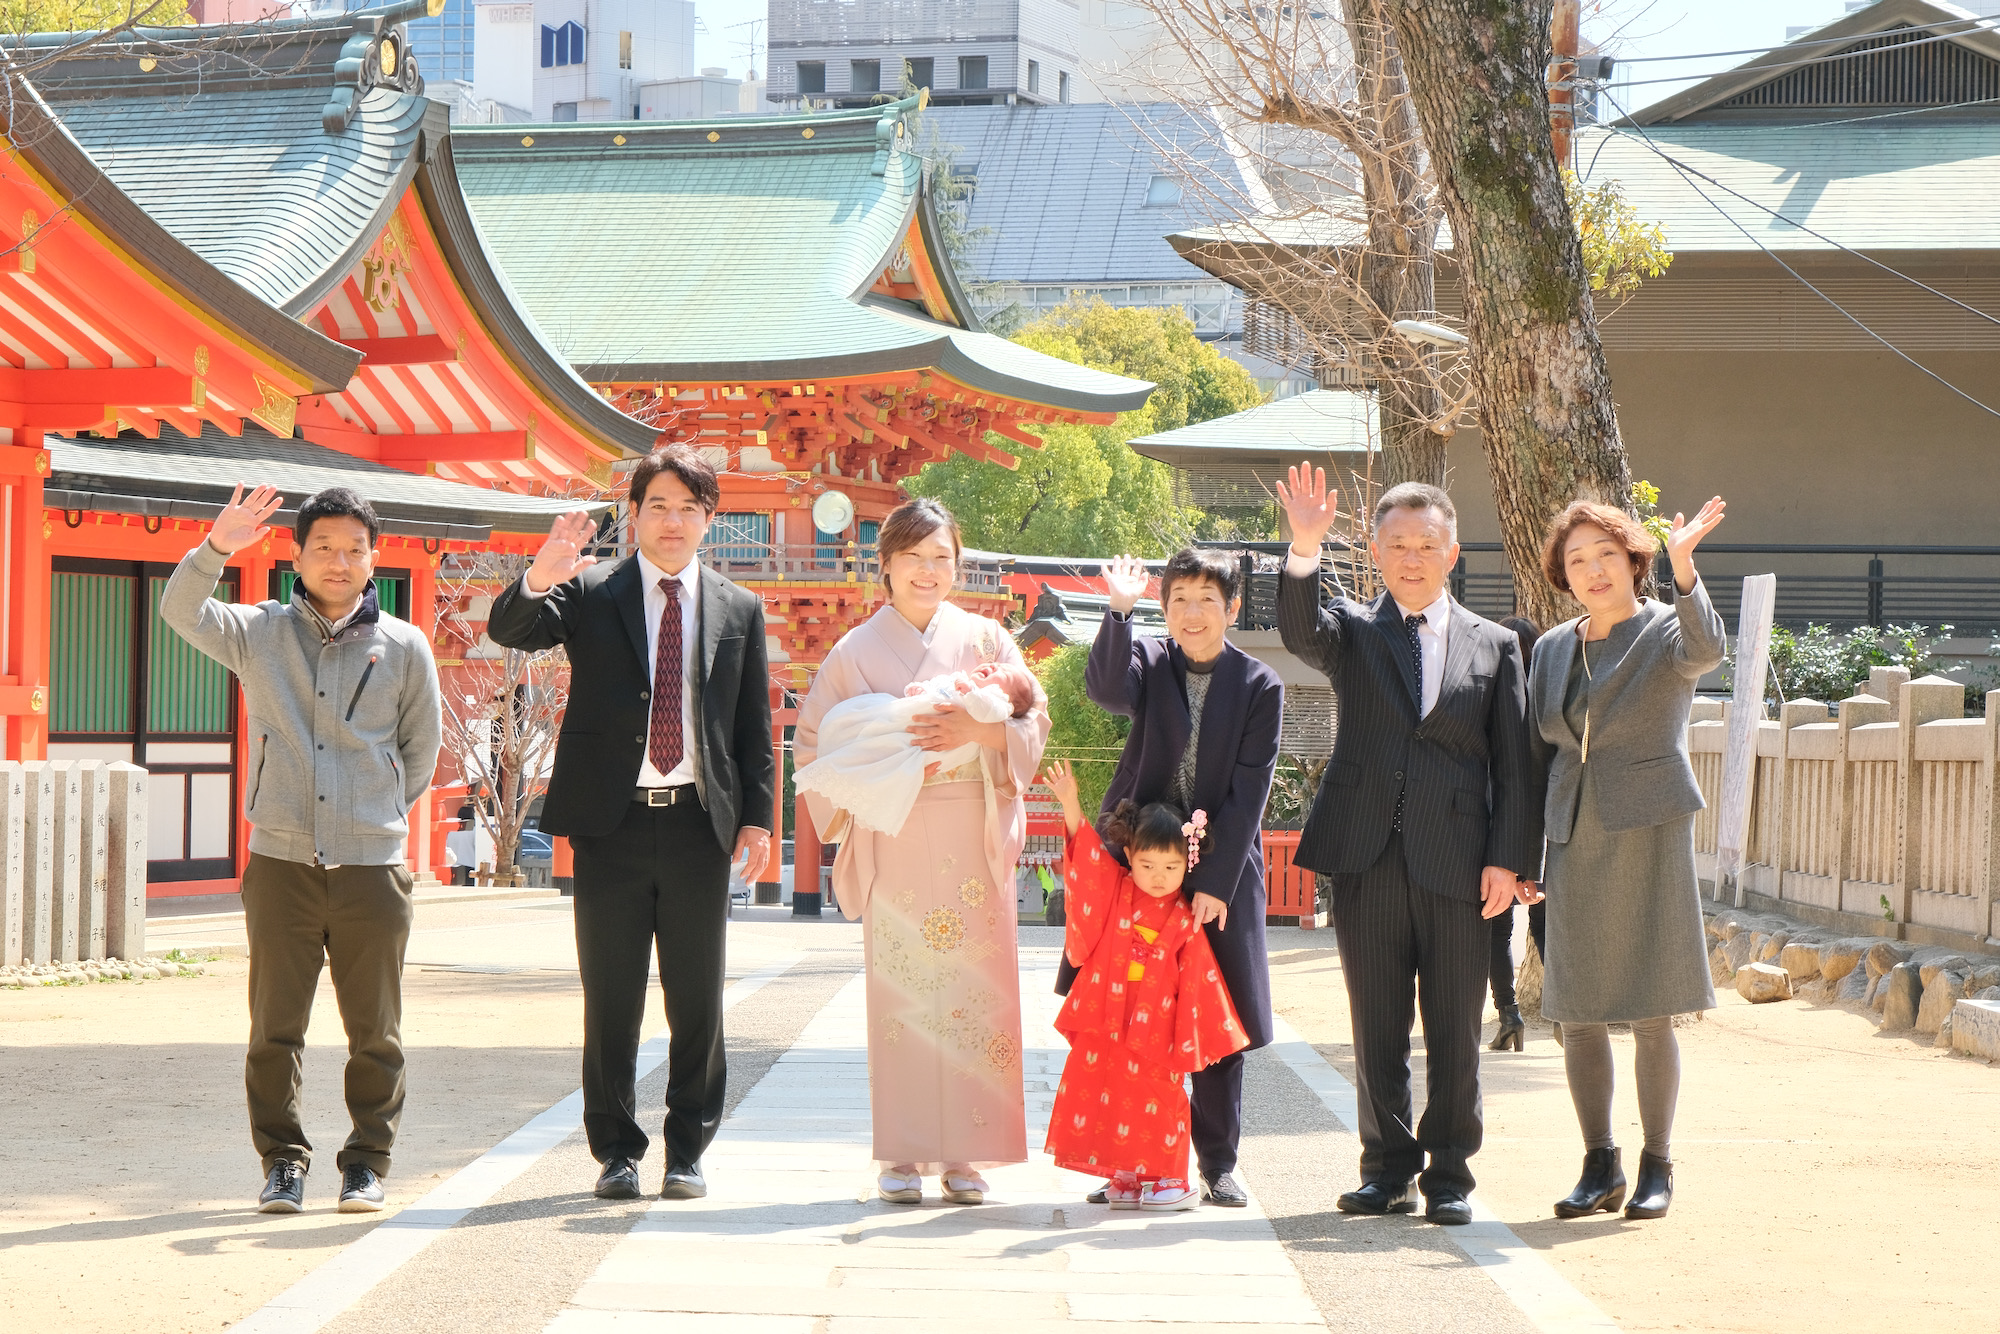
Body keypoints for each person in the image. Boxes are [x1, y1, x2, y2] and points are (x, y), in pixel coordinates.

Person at [486, 445, 775, 1203]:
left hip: (697, 827)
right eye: (658, 506)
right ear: (635, 516)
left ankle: (687, 1151)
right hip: (610, 826)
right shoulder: (591, 592)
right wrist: (542, 571)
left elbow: (752, 727)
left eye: (688, 507)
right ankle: (616, 1149)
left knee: (697, 999)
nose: (673, 520)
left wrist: (758, 818)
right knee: (611, 997)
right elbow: (512, 629)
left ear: (710, 519)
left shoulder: (740, 608)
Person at [1273, 466, 1544, 1227]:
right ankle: (1386, 1169)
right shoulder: (1355, 632)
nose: (1413, 557)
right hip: (1368, 855)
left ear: (1452, 553)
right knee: (1378, 1023)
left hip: (1461, 862)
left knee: (1456, 1027)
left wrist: (1510, 859)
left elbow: (1515, 766)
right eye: (1397, 544)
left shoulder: (1494, 646)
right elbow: (1298, 631)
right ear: (1376, 552)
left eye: (1427, 543)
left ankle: (1451, 1175)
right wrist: (1302, 548)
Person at [160, 483, 441, 1216]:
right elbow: (179, 611)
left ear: (374, 558)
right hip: (281, 865)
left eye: (354, 549)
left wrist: (371, 814)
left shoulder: (406, 648)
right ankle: (282, 1162)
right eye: (324, 547)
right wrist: (217, 545)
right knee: (273, 1030)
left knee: (375, 1030)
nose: (339, 561)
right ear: (297, 553)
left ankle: (367, 1163)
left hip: (372, 870)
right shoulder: (259, 631)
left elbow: (420, 755)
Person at [794, 498, 1049, 1207]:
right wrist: (883, 752)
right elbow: (813, 745)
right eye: (914, 558)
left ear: (958, 564)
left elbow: (1033, 717)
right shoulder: (853, 652)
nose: (929, 571)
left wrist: (986, 735)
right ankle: (903, 1153)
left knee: (974, 992)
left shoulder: (990, 641)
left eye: (942, 558)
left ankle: (970, 1155)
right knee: (903, 994)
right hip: (895, 828)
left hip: (971, 822)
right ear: (887, 566)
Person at [1528, 495, 1728, 1222]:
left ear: (1634, 561)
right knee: (1575, 1007)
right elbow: (1534, 752)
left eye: (1606, 555)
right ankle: (1598, 1163)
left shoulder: (1668, 630)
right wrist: (1524, 853)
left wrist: (1686, 572)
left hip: (1648, 827)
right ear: (1564, 575)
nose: (1592, 570)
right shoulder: (1551, 648)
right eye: (1576, 560)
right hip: (1573, 832)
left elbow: (1709, 652)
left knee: (1651, 1006)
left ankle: (1657, 1165)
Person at [1068, 548, 1282, 1208]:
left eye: (1208, 600)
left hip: (1218, 871)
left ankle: (1217, 1161)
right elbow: (1104, 689)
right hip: (1141, 864)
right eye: (1180, 598)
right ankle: (1127, 1158)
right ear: (1164, 607)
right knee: (1130, 1015)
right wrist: (1118, 612)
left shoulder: (1258, 685)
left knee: (1216, 1020)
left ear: (1233, 609)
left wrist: (1215, 879)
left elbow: (1251, 792)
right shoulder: (1149, 659)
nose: (1193, 612)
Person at [1039, 760, 1249, 1211]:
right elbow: (1088, 862)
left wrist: (1193, 1030)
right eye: (1147, 864)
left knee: (1161, 1096)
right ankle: (1128, 1174)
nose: (1158, 876)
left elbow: (1199, 981)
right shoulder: (1115, 889)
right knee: (1110, 1088)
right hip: (1109, 1012)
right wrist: (1070, 803)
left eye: (1171, 866)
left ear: (1188, 864)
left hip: (1156, 1020)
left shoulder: (1184, 916)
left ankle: (1172, 1177)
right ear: (1130, 857)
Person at [793, 661, 1039, 837]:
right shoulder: (849, 648)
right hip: (902, 728)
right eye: (996, 665)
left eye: (1003, 672)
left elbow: (1027, 725)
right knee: (879, 742)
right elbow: (809, 737)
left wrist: (978, 730)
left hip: (965, 827)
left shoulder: (992, 639)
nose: (996, 666)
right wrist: (920, 691)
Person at [1487, 615, 1548, 1053]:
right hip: (1545, 830)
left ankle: (1509, 1014)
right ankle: (1567, 1012)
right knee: (1547, 927)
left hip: (1502, 829)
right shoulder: (1547, 703)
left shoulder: (1494, 702)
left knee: (1498, 928)